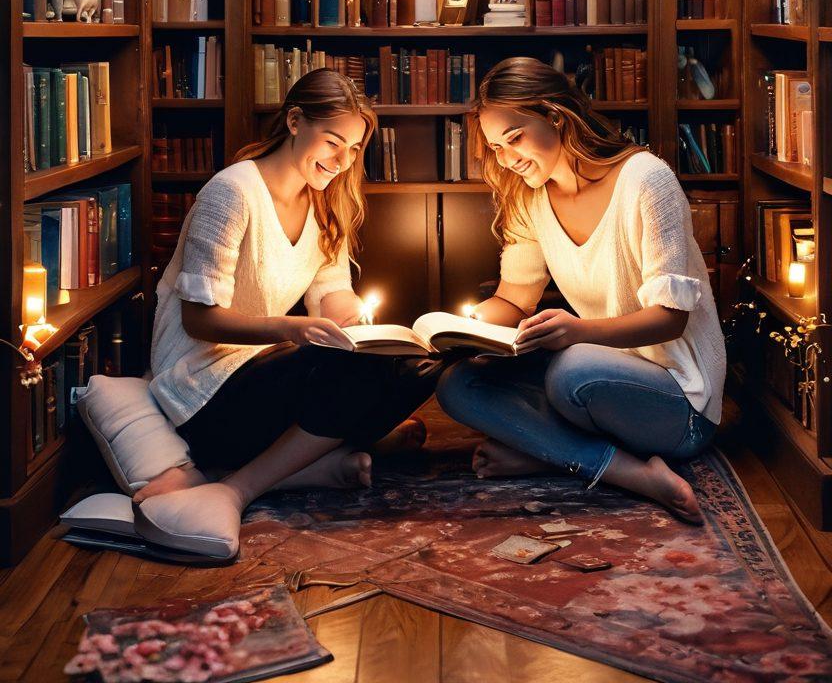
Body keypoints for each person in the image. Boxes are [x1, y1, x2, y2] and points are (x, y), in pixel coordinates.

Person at [134, 68, 437, 557]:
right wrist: (293, 330)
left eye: (354, 149)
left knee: (423, 366)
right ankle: (237, 485)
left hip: (260, 371)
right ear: (295, 120)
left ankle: (301, 462)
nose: (342, 161)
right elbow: (199, 320)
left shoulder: (326, 204)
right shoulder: (230, 194)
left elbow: (333, 292)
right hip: (201, 391)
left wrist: (359, 323)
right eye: (333, 142)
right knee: (356, 375)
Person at [437, 56, 726, 523]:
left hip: (680, 402)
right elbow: (514, 299)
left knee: (571, 371)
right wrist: (456, 331)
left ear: (556, 115)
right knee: (459, 384)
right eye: (496, 147)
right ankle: (610, 465)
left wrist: (577, 333)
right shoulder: (529, 195)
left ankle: (568, 456)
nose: (508, 158)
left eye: (515, 138)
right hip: (596, 381)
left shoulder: (646, 180)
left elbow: (672, 316)